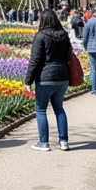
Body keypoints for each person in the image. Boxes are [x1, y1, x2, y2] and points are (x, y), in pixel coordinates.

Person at [25, 9, 72, 152]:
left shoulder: (41, 36)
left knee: (41, 109)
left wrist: (28, 81)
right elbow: (68, 55)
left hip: (46, 77)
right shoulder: (64, 35)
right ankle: (64, 141)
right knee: (59, 108)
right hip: (62, 76)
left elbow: (35, 60)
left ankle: (43, 142)